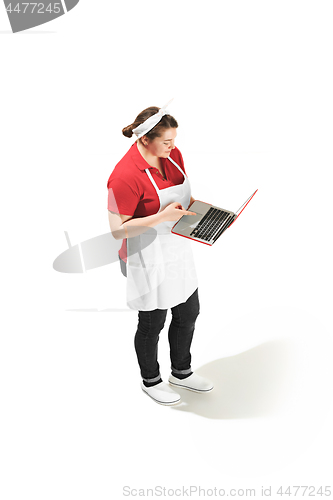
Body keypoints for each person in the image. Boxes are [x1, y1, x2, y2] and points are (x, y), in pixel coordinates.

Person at [107, 102, 213, 405]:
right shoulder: (124, 176)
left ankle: (181, 372)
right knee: (153, 322)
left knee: (188, 312)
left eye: (174, 139)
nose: (173, 146)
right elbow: (117, 229)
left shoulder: (173, 156)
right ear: (144, 139)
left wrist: (203, 213)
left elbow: (183, 194)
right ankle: (151, 380)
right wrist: (161, 217)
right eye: (166, 141)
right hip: (145, 255)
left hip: (177, 246)